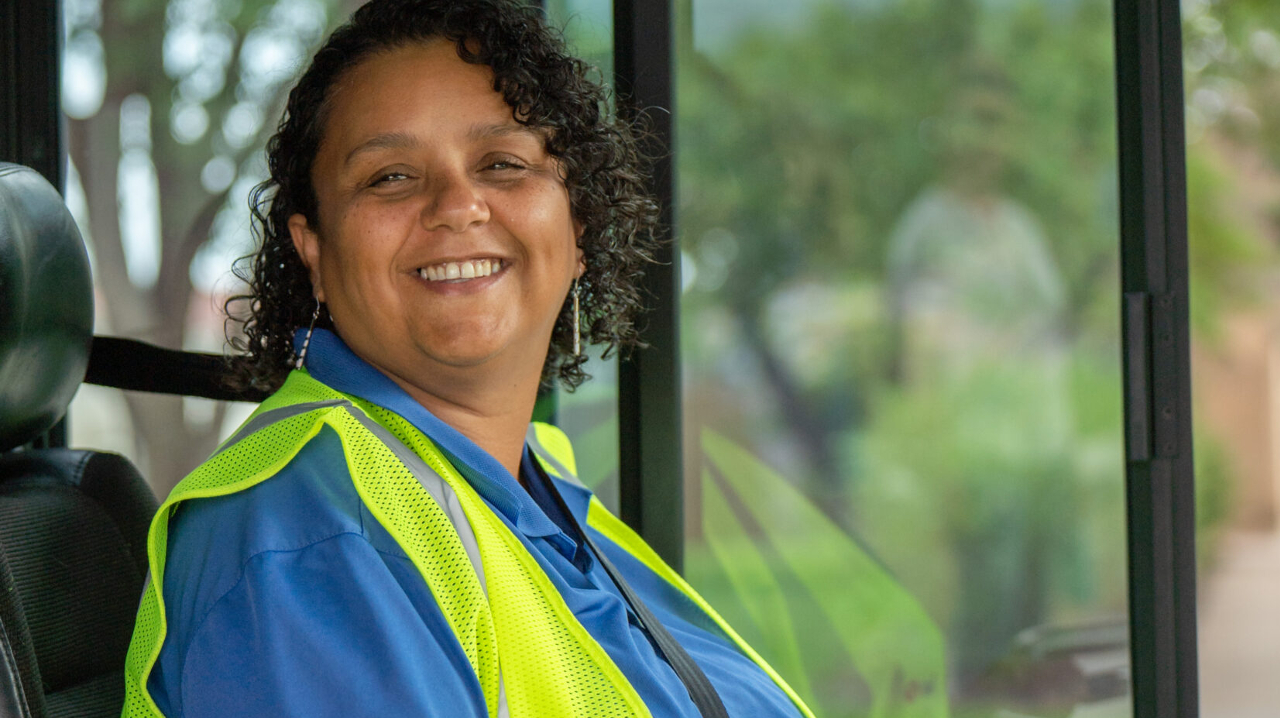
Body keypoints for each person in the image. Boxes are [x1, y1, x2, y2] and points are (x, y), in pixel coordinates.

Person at [120, 2, 814, 717]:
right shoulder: (308, 538)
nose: (458, 205)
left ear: (578, 229)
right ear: (315, 253)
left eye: (502, 164)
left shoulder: (538, 488)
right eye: (390, 176)